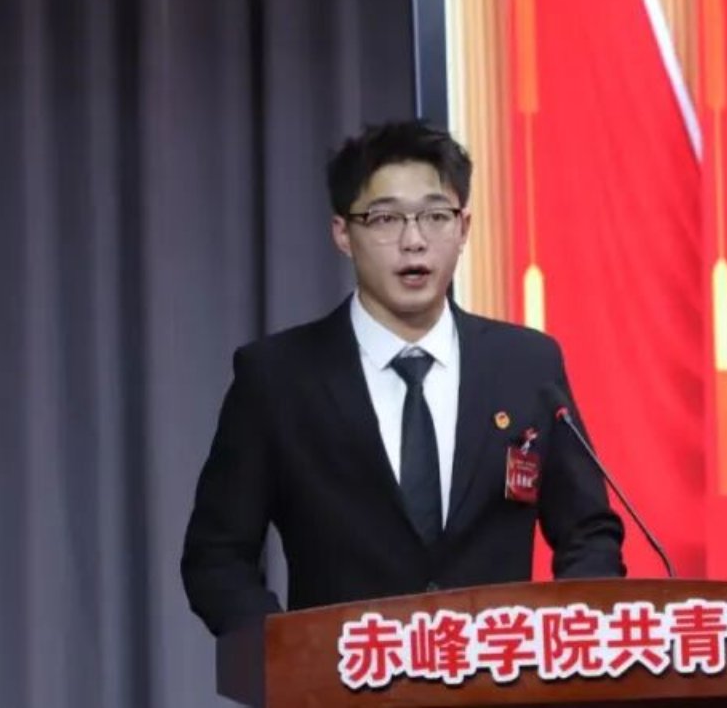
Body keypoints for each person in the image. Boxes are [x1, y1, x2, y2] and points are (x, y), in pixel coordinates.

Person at [180, 120, 625, 635]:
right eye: (385, 218)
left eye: (436, 216)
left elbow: (589, 533)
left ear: (464, 228)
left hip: (498, 671)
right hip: (342, 673)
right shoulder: (278, 377)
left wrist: (567, 638)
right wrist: (286, 655)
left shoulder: (527, 365)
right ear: (343, 234)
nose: (414, 242)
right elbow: (217, 557)